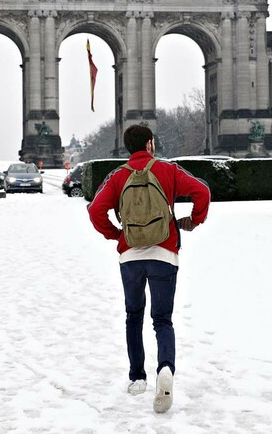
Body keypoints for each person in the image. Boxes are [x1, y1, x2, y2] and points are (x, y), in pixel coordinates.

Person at [87, 124, 210, 413]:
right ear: (150, 144)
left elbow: (95, 210)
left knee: (133, 317)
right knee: (162, 319)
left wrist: (116, 234)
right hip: (164, 254)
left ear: (129, 147)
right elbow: (202, 191)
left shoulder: (117, 176)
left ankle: (137, 377)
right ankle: (165, 368)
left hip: (130, 256)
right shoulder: (168, 170)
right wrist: (194, 220)